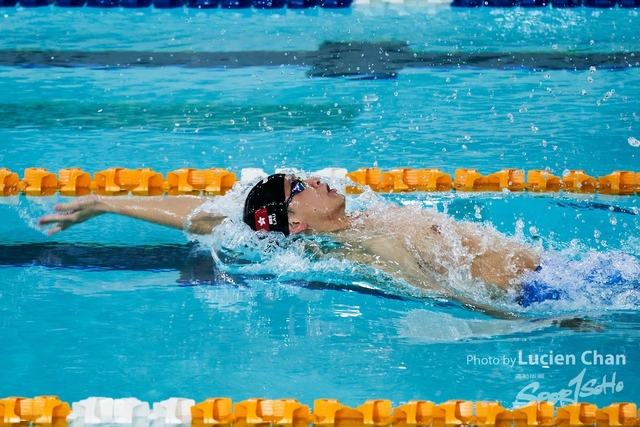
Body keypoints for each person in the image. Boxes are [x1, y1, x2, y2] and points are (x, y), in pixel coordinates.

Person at [38, 173, 542, 311]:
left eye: (300, 178)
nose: (313, 182)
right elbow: (443, 294)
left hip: (554, 276)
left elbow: (207, 215)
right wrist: (537, 322)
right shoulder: (371, 244)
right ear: (294, 224)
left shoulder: (364, 219)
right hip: (540, 295)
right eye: (298, 190)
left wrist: (108, 202)